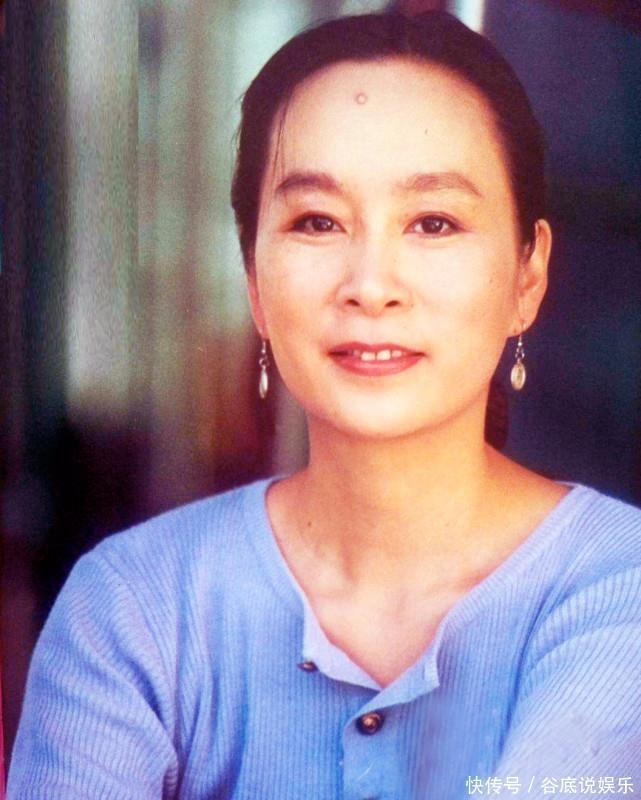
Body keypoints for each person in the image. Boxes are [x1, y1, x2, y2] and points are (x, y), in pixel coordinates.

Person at [7, 11, 641, 799]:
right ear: (253, 278)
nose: (370, 286)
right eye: (317, 221)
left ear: (526, 275)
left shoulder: (620, 585)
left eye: (433, 222)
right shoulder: (133, 604)